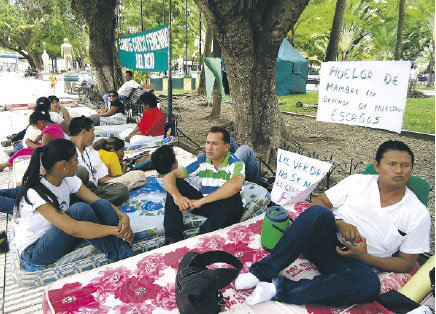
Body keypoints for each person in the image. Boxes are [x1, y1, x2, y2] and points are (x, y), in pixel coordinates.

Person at [235, 140, 430, 307]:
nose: (399, 170)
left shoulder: (417, 214)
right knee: (318, 213)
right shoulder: (357, 182)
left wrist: (365, 258)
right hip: (324, 242)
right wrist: (339, 223)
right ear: (377, 166)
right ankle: (260, 272)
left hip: (356, 264)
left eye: (405, 165)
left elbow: (406, 263)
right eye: (392, 164)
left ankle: (277, 289)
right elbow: (318, 203)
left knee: (369, 286)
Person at [13, 139, 134, 267]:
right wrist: (116, 230)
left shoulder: (69, 179)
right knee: (79, 210)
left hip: (59, 234)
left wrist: (123, 217)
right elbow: (73, 228)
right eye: (76, 159)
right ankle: (120, 254)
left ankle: (123, 251)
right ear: (63, 165)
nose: (78, 164)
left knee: (102, 205)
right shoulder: (36, 193)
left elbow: (97, 200)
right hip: (36, 250)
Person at [163, 126, 245, 243]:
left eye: (215, 144)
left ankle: (202, 236)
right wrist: (177, 197)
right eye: (207, 143)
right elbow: (169, 176)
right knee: (176, 183)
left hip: (230, 210)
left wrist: (200, 201)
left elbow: (236, 185)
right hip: (209, 206)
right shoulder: (202, 160)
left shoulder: (236, 163)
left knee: (233, 196)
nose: (209, 148)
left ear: (226, 147)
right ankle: (172, 237)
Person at [68, 116, 129, 206]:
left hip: (92, 191)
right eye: (92, 131)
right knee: (81, 172)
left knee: (121, 190)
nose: (94, 135)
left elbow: (102, 178)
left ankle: (93, 203)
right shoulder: (65, 149)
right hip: (72, 192)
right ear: (84, 131)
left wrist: (124, 179)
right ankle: (92, 203)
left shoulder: (92, 152)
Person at [0, 111, 65, 172]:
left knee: (22, 152)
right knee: (27, 149)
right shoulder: (54, 125)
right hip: (56, 150)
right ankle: (5, 164)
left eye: (36, 126)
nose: (37, 128)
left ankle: (3, 166)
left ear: (40, 123)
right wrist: (40, 136)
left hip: (53, 154)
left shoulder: (48, 130)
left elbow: (43, 150)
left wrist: (30, 143)